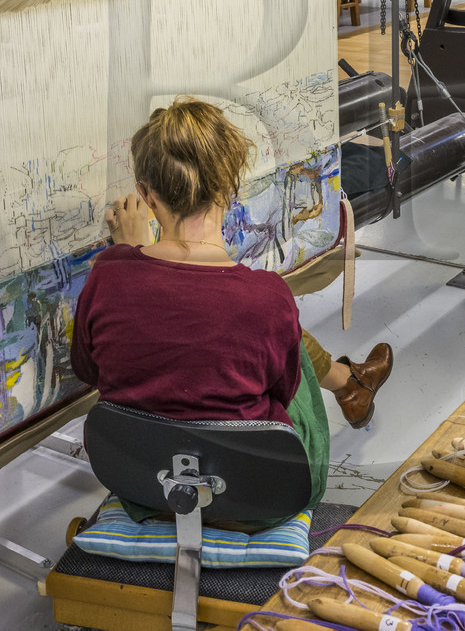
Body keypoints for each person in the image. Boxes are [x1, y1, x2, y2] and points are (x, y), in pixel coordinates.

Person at [70, 99, 394, 512]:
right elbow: (285, 392)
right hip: (259, 498)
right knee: (280, 337)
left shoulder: (108, 275)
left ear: (146, 195)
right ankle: (350, 384)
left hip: (142, 486)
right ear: (230, 187)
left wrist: (131, 258)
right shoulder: (268, 296)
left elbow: (88, 371)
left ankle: (350, 383)